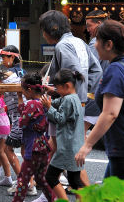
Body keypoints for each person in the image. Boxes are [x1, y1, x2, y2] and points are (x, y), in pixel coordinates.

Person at [75, 20, 124, 191]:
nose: (94, 45)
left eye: (97, 40)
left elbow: (110, 113)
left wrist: (87, 145)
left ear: (109, 44)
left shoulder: (116, 69)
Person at [39, 10, 101, 187]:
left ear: (52, 29)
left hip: (65, 105)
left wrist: (61, 91)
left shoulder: (62, 46)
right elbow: (97, 71)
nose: (43, 34)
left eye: (44, 29)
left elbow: (71, 73)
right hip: (79, 102)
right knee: (67, 153)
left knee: (69, 155)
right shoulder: (79, 41)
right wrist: (84, 92)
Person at [40, 68, 85, 201]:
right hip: (75, 145)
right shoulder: (73, 97)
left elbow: (60, 118)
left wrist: (48, 108)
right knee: (75, 180)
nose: (57, 91)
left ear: (67, 86)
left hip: (67, 146)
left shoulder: (68, 100)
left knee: (51, 176)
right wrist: (49, 97)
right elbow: (56, 102)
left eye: (58, 88)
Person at [11, 72, 52, 202]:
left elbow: (22, 122)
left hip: (32, 147)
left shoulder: (31, 104)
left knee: (23, 179)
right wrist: (20, 99)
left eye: (23, 90)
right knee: (41, 178)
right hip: (43, 145)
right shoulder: (44, 101)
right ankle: (53, 199)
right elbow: (26, 112)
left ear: (29, 89)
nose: (22, 93)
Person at [0, 46, 30, 194]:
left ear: (12, 58)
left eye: (4, 57)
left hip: (19, 117)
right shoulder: (22, 72)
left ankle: (23, 183)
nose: (2, 60)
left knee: (7, 148)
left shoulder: (8, 74)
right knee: (25, 153)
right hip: (25, 116)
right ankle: (30, 184)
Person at [84, 10, 110, 131]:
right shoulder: (111, 40)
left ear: (99, 23)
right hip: (107, 91)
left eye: (89, 25)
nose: (88, 29)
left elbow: (88, 68)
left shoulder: (96, 42)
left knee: (80, 132)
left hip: (93, 93)